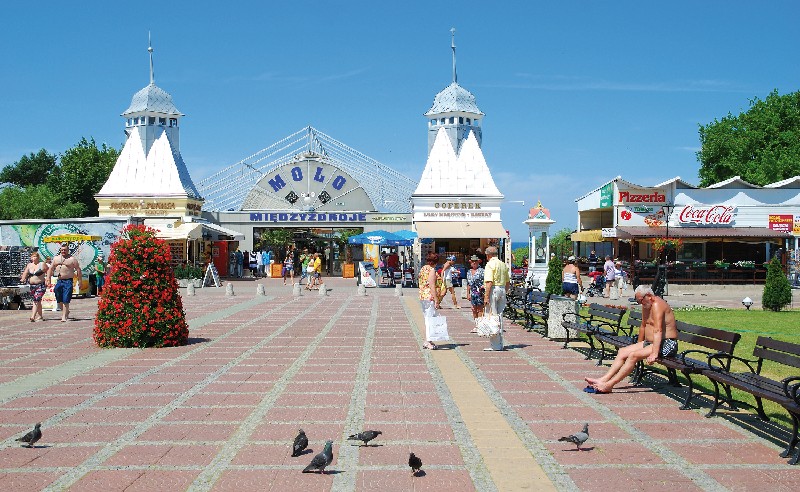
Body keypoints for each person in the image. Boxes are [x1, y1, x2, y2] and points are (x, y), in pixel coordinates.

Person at [584, 285, 678, 394]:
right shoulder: (647, 305)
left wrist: (654, 353)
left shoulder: (657, 305)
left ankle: (609, 385)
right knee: (622, 351)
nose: (640, 303)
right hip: (650, 342)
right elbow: (643, 325)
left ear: (648, 296)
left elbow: (658, 330)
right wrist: (639, 344)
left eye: (640, 301)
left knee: (633, 356)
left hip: (666, 344)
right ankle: (603, 379)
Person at [483, 246, 510, 351]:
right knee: (499, 316)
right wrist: (504, 291)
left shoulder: (490, 264)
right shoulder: (503, 264)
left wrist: (486, 296)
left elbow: (489, 282)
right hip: (502, 289)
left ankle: (495, 345)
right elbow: (508, 282)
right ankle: (500, 343)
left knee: (492, 316)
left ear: (488, 255)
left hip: (493, 290)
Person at [46, 243, 81, 322]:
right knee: (58, 295)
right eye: (62, 250)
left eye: (65, 250)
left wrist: (80, 281)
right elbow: (51, 268)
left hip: (68, 281)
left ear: (68, 250)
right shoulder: (56, 258)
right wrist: (48, 278)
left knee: (66, 298)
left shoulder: (72, 259)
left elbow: (78, 269)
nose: (63, 251)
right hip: (59, 280)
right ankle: (66, 311)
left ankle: (64, 316)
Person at [418, 252, 442, 350]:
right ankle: (427, 341)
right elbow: (432, 285)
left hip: (423, 296)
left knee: (428, 318)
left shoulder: (423, 268)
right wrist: (436, 299)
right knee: (430, 319)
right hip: (429, 297)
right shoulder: (431, 270)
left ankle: (428, 340)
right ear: (435, 262)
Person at [20, 250, 47, 322]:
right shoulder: (29, 265)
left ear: (38, 257)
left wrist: (47, 278)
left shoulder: (42, 264)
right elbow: (25, 272)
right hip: (32, 285)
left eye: (35, 256)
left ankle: (33, 316)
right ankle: (40, 316)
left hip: (40, 285)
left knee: (36, 299)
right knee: (37, 301)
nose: (33, 258)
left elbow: (48, 270)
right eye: (32, 257)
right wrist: (23, 279)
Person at [466, 255, 485, 330]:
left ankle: (480, 325)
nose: (474, 263)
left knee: (480, 309)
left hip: (480, 292)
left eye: (475, 261)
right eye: (472, 261)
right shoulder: (469, 272)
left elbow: (485, 280)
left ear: (478, 262)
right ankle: (476, 324)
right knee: (473, 309)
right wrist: (468, 293)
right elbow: (468, 283)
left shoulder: (482, 271)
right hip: (473, 292)